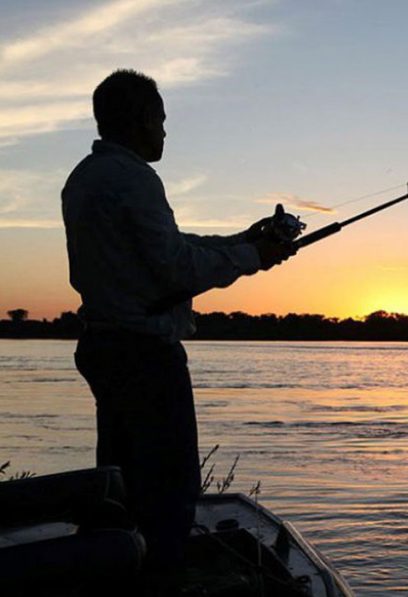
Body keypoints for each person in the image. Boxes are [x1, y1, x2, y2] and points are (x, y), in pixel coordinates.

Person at [61, 69, 294, 580]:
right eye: (162, 121)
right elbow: (176, 268)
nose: (166, 132)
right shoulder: (136, 178)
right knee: (169, 491)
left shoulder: (84, 177)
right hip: (145, 356)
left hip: (104, 347)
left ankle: (118, 572)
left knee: (122, 483)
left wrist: (243, 240)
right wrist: (254, 257)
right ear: (143, 119)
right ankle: (160, 579)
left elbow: (168, 246)